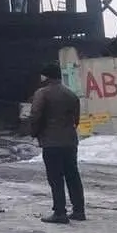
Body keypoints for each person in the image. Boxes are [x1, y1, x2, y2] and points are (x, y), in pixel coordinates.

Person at [29, 63, 84, 224]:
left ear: (45, 77)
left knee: (55, 177)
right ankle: (79, 210)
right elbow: (76, 119)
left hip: (52, 142)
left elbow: (35, 115)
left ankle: (60, 212)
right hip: (70, 141)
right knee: (72, 175)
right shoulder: (71, 94)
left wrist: (34, 132)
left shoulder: (42, 93)